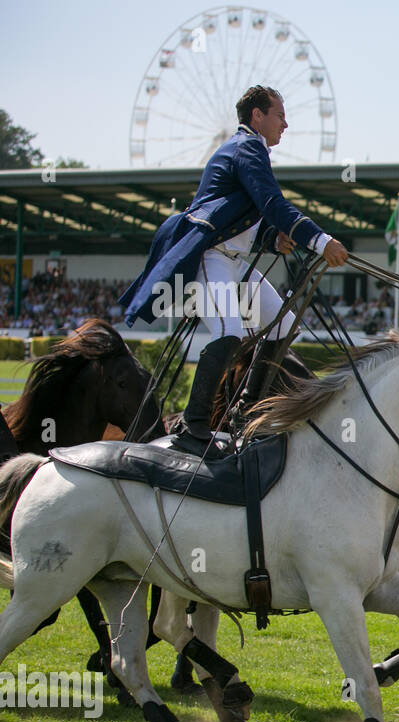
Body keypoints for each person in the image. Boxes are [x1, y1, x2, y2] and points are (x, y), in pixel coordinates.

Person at [119, 85, 348, 455]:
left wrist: (273, 240)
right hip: (211, 259)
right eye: (280, 115)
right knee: (229, 331)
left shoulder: (248, 150)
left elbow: (238, 219)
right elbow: (273, 204)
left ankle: (246, 412)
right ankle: (192, 429)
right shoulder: (247, 148)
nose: (286, 124)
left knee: (285, 325)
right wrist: (321, 241)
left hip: (233, 263)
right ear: (257, 116)